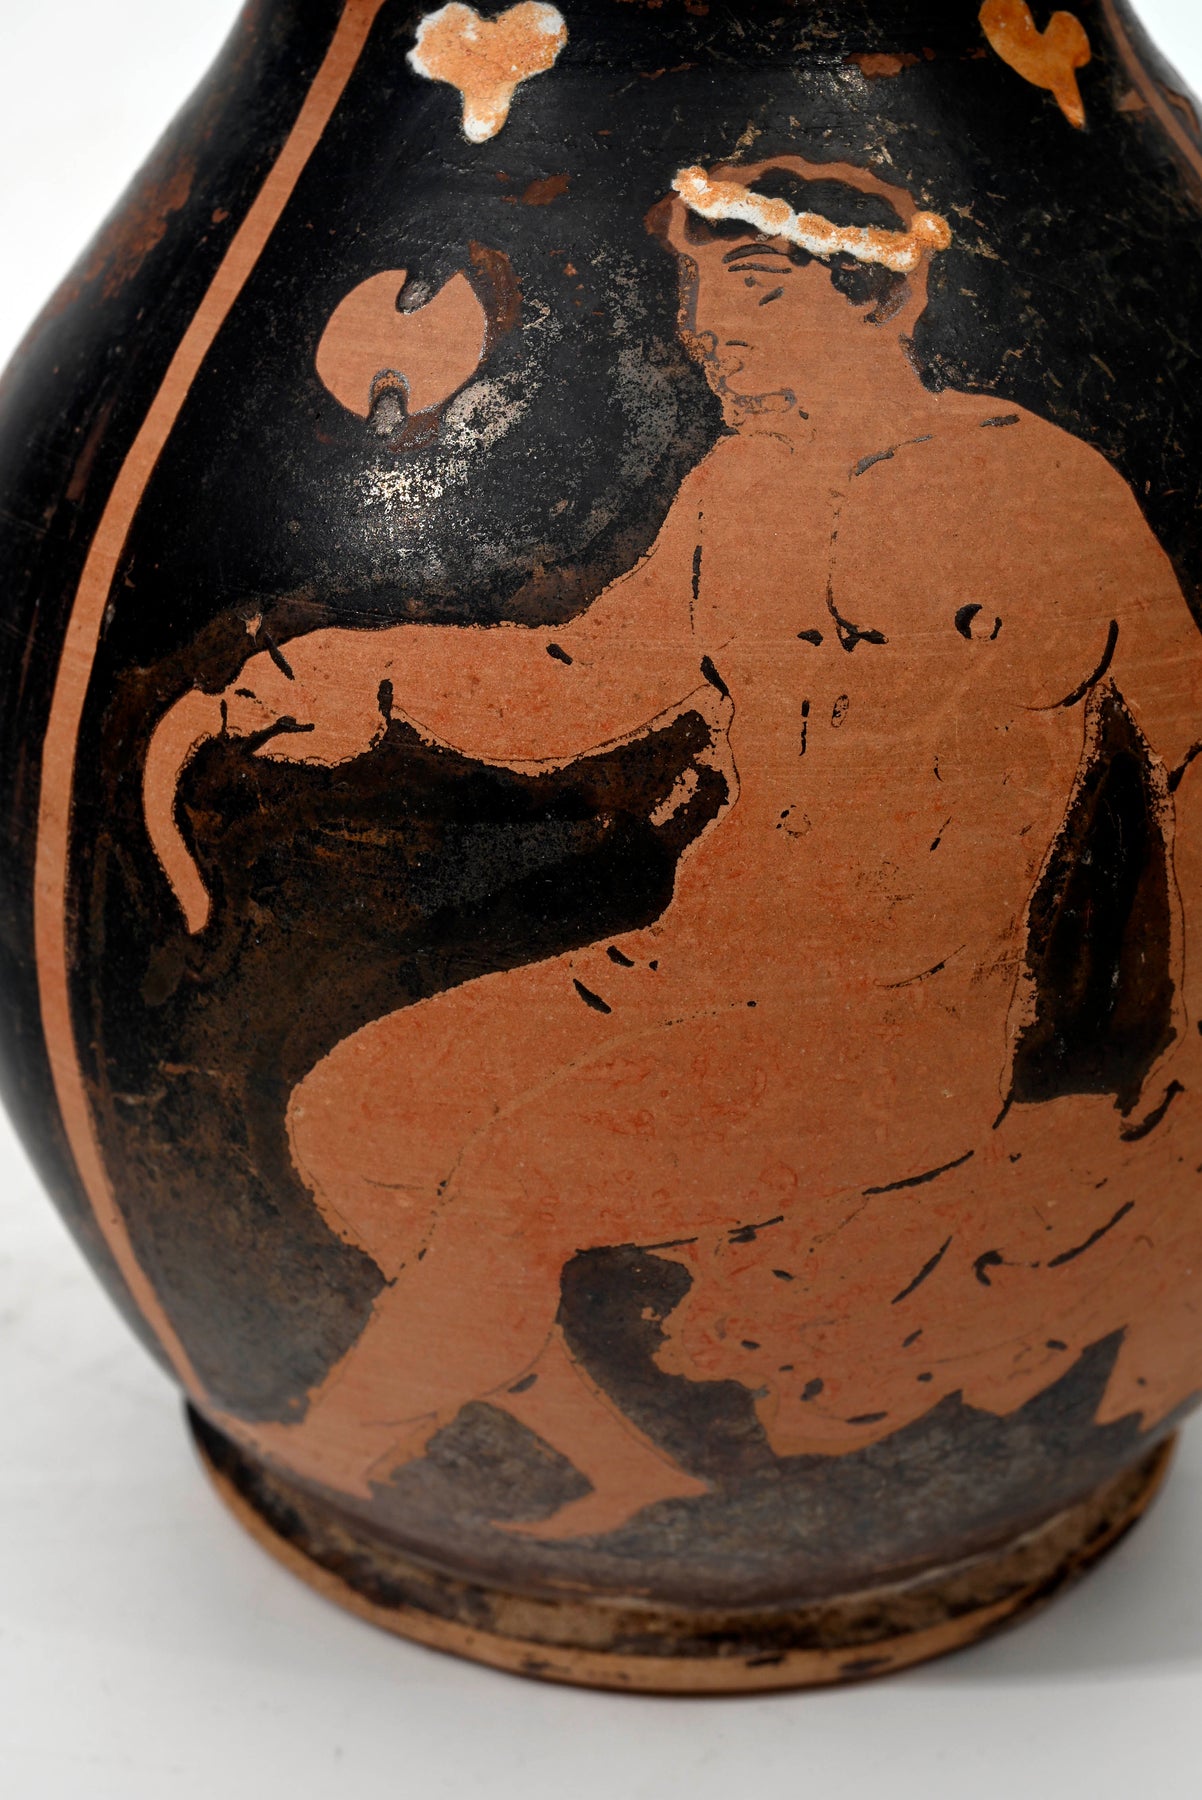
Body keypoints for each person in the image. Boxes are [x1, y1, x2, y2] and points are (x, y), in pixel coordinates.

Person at [144, 155, 1202, 1539]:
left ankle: (351, 1436)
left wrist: (1185, 1028)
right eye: (702, 300)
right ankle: (625, 1464)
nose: (713, 334)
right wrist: (365, 675)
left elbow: (1188, 751)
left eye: (755, 291)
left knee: (522, 1182)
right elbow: (585, 683)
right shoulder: (738, 490)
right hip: (685, 970)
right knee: (357, 1125)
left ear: (884, 299)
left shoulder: (1043, 489)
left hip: (893, 1023)